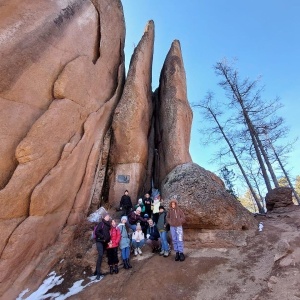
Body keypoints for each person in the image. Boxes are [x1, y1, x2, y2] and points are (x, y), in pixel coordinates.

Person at [95, 213, 111, 279]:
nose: (108, 217)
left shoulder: (108, 224)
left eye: (108, 216)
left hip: (105, 242)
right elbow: (97, 232)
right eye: (107, 216)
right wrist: (103, 237)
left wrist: (108, 239)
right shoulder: (101, 223)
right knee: (100, 254)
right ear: (104, 217)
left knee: (104, 254)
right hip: (100, 241)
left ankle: (96, 271)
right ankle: (98, 273)